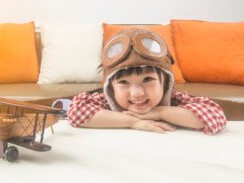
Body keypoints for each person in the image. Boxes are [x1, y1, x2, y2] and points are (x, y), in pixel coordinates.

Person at [67, 28, 226, 135]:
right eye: (123, 82)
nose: (137, 93)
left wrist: (158, 112)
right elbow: (75, 113)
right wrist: (133, 122)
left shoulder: (174, 101)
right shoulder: (105, 102)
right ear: (110, 88)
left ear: (165, 82)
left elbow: (215, 116)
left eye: (148, 79)